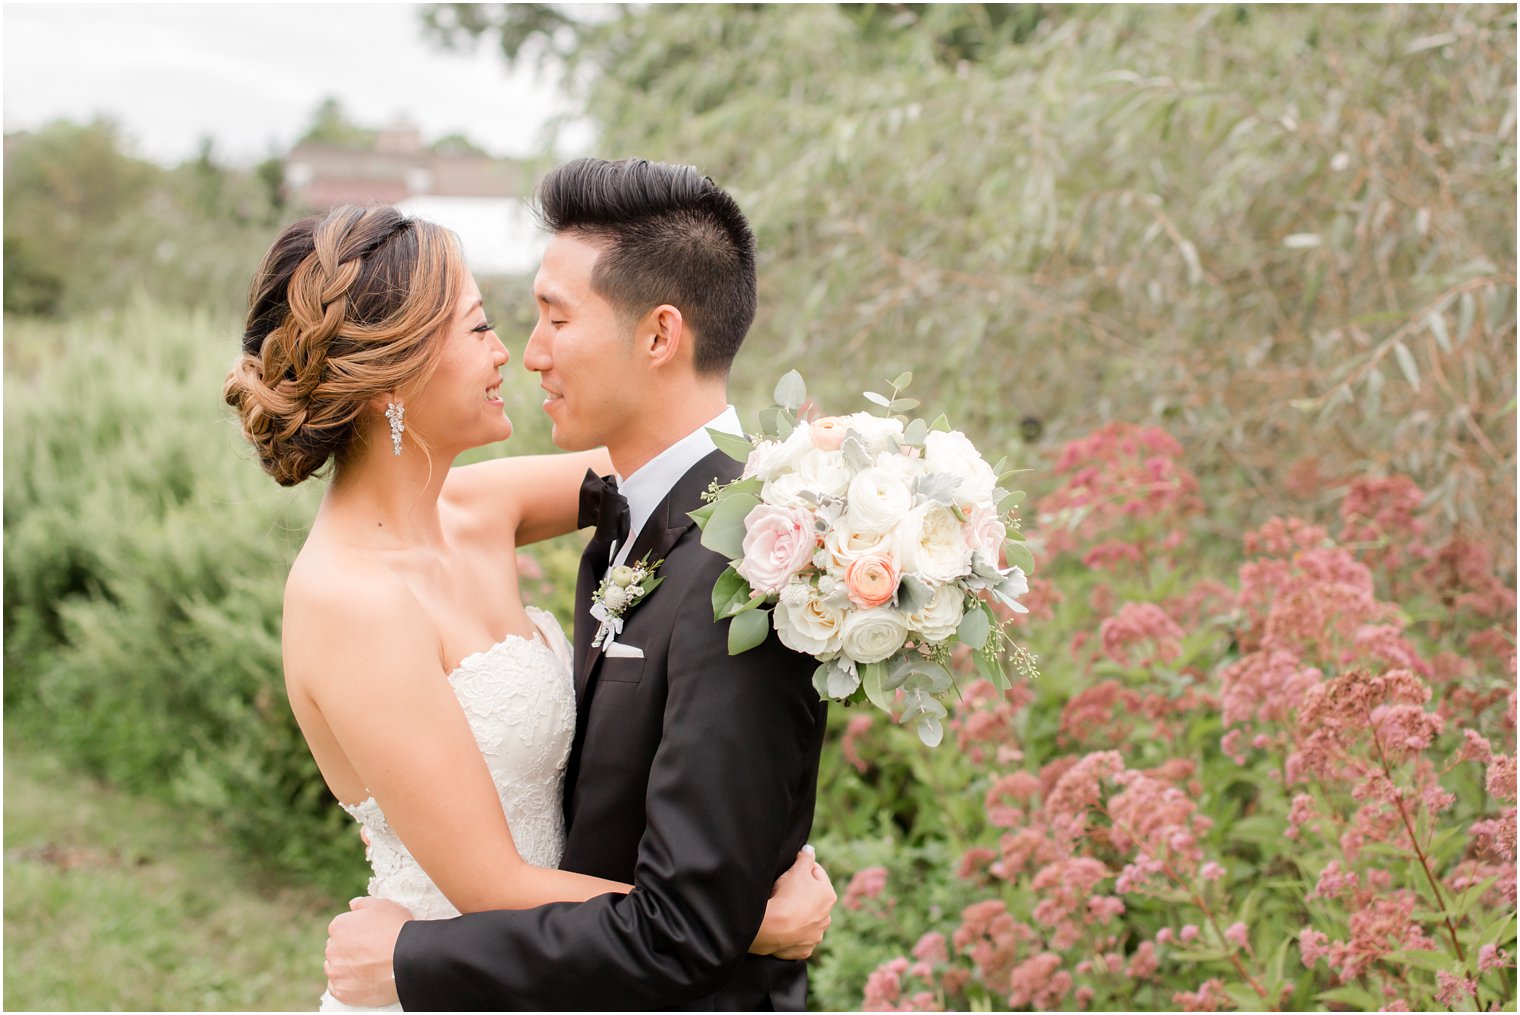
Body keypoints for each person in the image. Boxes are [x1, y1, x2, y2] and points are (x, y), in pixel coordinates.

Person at [223, 201, 833, 1013]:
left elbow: (676, 457)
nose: (513, 352)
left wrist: (851, 478)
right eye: (479, 329)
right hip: (456, 973)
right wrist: (735, 922)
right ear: (394, 375)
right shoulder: (350, 600)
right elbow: (494, 883)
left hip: (567, 967)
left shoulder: (478, 508)